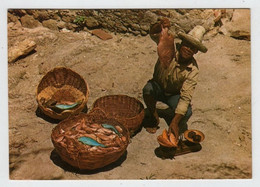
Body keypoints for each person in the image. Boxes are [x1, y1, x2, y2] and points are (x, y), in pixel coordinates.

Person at [142, 18, 208, 144]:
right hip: (158, 87)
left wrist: (174, 123)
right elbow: (154, 35)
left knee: (187, 112)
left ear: (196, 52)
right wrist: (160, 26)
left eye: (192, 48)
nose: (188, 49)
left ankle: (172, 118)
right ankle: (154, 116)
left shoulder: (193, 71)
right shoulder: (169, 48)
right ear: (181, 43)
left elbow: (185, 98)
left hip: (173, 94)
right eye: (186, 45)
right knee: (148, 90)